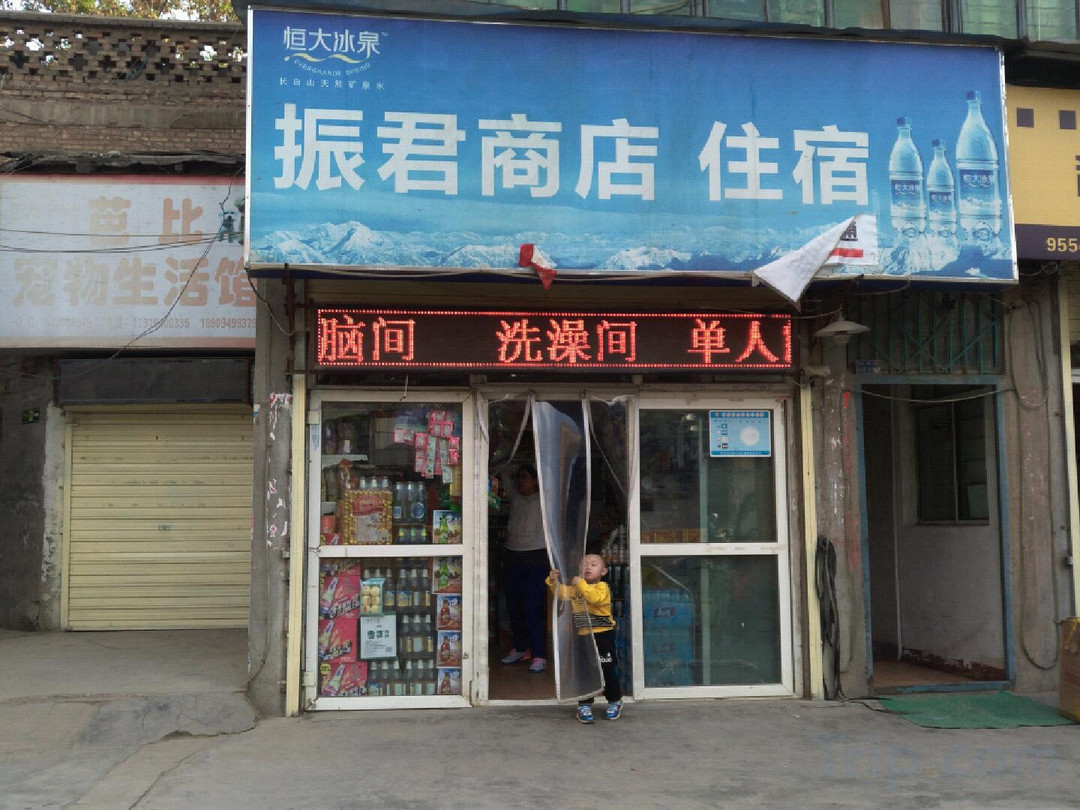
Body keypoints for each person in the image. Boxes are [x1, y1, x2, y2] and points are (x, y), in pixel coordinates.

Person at [547, 554, 624, 723]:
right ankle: (584, 704)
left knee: (607, 669)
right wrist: (552, 581)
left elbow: (594, 598)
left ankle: (614, 700)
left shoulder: (602, 587)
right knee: (585, 671)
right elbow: (561, 594)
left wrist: (579, 583)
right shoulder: (576, 588)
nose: (588, 567)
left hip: (603, 635)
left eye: (594, 564)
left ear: (603, 571)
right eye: (585, 564)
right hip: (583, 635)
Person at [499, 463, 549, 673]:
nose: (521, 481)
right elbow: (504, 472)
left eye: (525, 477)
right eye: (519, 477)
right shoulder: (516, 499)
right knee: (514, 606)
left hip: (536, 559)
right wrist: (509, 463)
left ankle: (539, 655)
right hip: (513, 557)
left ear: (536, 480)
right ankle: (520, 648)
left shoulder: (544, 500)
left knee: (532, 607)